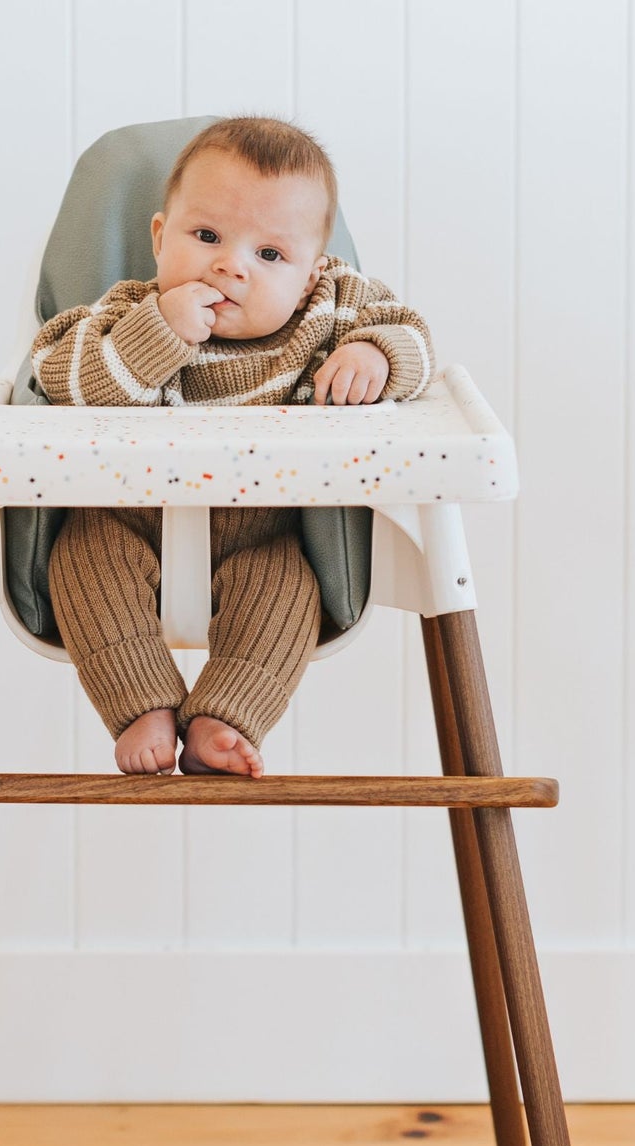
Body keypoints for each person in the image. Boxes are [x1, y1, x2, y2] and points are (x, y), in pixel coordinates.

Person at [32, 116, 435, 778]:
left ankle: (225, 717)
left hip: (264, 531)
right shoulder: (124, 311)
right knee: (80, 559)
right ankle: (140, 705)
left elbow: (413, 336)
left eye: (269, 255)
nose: (231, 265)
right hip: (127, 518)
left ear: (310, 275)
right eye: (207, 236)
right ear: (161, 238)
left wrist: (374, 354)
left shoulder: (328, 313)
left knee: (285, 587)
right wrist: (154, 334)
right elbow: (55, 372)